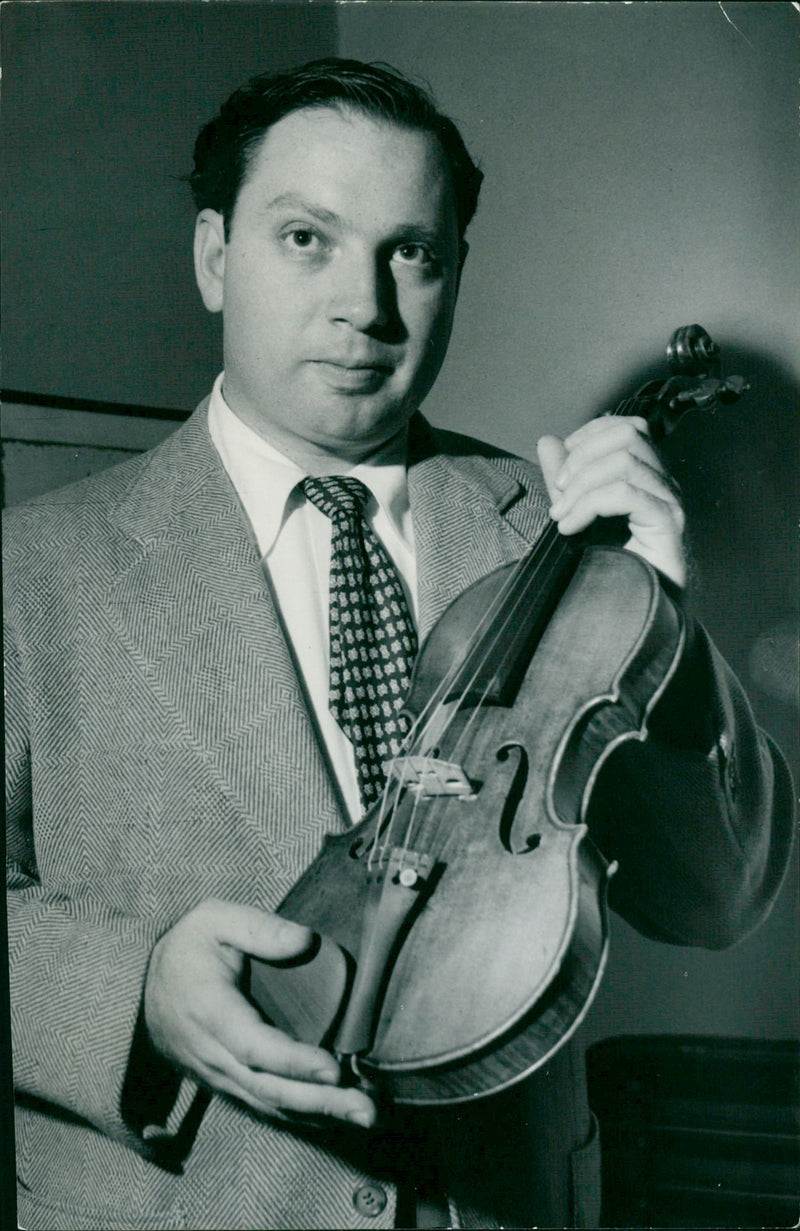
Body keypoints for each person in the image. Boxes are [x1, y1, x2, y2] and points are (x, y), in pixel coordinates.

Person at [4, 58, 793, 1231]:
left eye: (411, 252)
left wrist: (663, 617)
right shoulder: (33, 565)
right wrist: (134, 994)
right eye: (306, 239)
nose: (364, 306)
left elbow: (713, 901)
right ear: (214, 257)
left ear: (455, 272)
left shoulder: (562, 539)